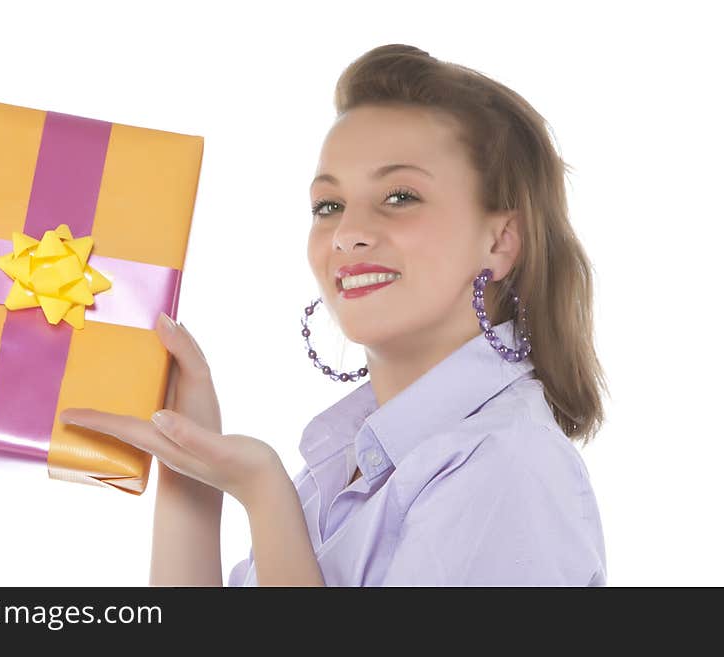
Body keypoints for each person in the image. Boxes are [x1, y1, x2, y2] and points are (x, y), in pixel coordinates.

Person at [60, 43, 609, 586]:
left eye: (399, 196)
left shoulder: (506, 469)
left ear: (500, 240)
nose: (347, 235)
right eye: (329, 205)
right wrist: (190, 469)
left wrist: (263, 492)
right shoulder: (345, 462)